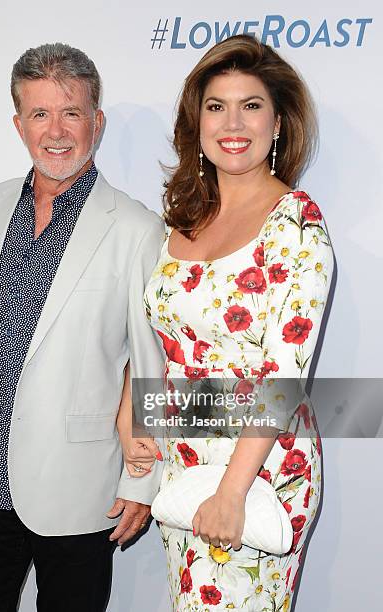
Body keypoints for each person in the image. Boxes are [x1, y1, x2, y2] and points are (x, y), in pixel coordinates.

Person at [0, 42, 165, 612]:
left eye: (71, 112)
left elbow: (151, 370)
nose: (57, 131)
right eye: (40, 113)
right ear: (18, 123)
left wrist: (141, 480)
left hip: (79, 490)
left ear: (96, 122)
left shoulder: (136, 229)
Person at [118, 34, 333, 610]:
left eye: (252, 105)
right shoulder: (184, 220)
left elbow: (282, 377)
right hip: (183, 465)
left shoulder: (298, 227)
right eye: (216, 106)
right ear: (198, 123)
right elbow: (159, 338)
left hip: (257, 475)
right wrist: (132, 412)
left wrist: (232, 492)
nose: (232, 122)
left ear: (279, 122)